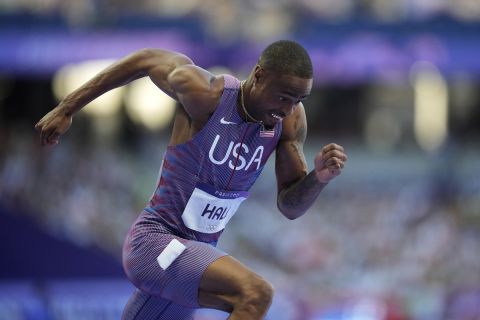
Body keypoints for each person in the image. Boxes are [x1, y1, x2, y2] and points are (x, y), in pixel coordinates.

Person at [35, 40, 347, 320]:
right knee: (256, 294)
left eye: (299, 98)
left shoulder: (290, 120)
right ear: (259, 75)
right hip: (155, 243)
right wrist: (67, 108)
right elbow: (144, 59)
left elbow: (290, 206)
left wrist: (318, 179)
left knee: (249, 297)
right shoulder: (206, 94)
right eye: (283, 96)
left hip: (192, 258)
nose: (288, 108)